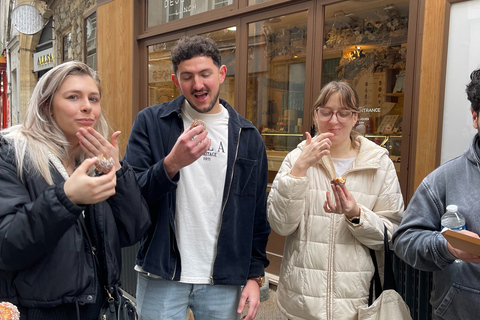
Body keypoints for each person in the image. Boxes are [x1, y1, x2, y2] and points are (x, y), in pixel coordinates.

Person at [123, 35, 270, 320]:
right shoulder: (151, 122)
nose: (198, 85)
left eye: (205, 74)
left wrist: (254, 276)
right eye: (187, 76)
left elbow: (256, 214)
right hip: (162, 273)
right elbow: (132, 193)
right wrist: (170, 164)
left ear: (222, 74)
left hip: (223, 279)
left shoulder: (248, 136)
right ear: (176, 81)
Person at [0, 61, 151, 320]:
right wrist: (67, 199)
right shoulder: (12, 154)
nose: (87, 106)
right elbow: (8, 246)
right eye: (73, 97)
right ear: (46, 106)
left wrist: (117, 170)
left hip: (100, 310)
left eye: (94, 98)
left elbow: (133, 230)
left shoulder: (91, 160)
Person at [267, 81, 404, 320]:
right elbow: (281, 225)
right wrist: (299, 170)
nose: (334, 120)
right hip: (302, 301)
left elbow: (391, 234)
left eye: (343, 113)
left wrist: (356, 214)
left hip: (358, 304)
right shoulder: (295, 159)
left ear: (355, 118)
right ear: (315, 115)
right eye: (326, 112)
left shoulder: (379, 163)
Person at [392, 69, 480, 319]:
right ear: (475, 116)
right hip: (458, 311)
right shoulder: (443, 179)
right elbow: (404, 239)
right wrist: (447, 247)